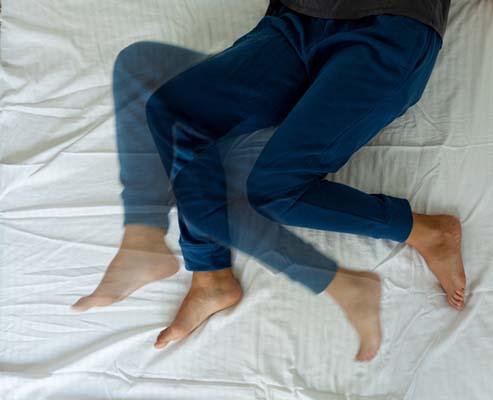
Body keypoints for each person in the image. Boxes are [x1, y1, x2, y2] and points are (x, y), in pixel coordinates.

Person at [72, 0, 466, 362]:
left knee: (275, 189)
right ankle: (210, 277)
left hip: (393, 28)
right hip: (296, 19)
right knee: (174, 110)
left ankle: (425, 230)